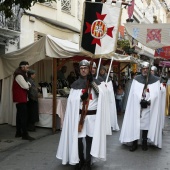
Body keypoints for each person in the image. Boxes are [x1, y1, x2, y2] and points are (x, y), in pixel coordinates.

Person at [56, 59, 107, 170]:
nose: (83, 70)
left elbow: (101, 96)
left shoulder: (95, 82)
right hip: (79, 117)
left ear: (89, 69)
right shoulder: (75, 84)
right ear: (79, 70)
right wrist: (80, 98)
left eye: (85, 68)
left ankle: (88, 163)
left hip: (92, 117)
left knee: (89, 139)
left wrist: (92, 82)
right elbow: (71, 102)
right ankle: (80, 160)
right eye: (81, 68)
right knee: (78, 139)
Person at [119, 61, 162, 151]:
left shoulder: (155, 80)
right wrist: (139, 100)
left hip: (148, 108)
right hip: (137, 107)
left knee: (146, 125)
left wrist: (148, 102)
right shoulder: (136, 80)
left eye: (146, 69)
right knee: (135, 124)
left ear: (149, 70)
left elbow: (157, 95)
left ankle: (144, 142)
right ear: (141, 69)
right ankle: (134, 142)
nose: (145, 70)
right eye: (143, 69)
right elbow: (133, 94)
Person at [12, 61, 35, 141]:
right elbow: (25, 86)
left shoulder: (21, 74)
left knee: (19, 116)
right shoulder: (19, 75)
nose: (28, 69)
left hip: (21, 98)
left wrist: (27, 84)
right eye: (27, 67)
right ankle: (24, 134)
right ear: (22, 67)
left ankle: (18, 133)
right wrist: (28, 84)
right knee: (23, 117)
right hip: (21, 99)